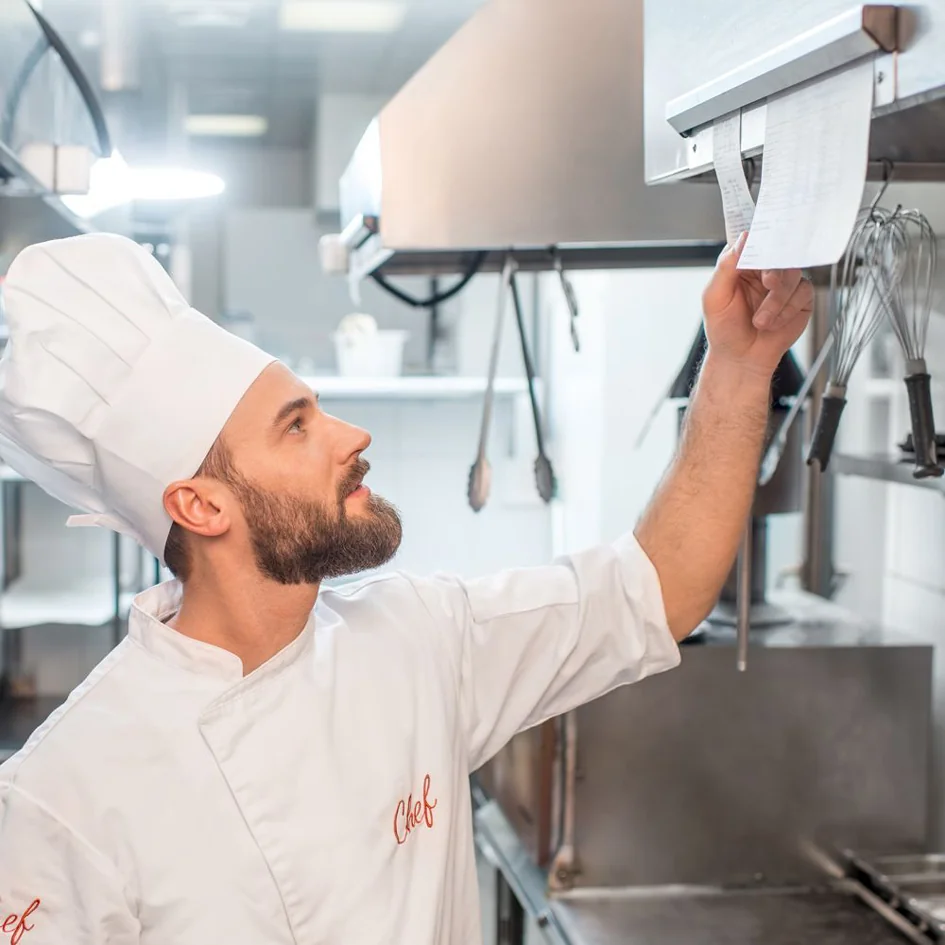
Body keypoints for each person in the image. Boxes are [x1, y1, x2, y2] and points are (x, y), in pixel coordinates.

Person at [0, 231, 811, 944]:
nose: (352, 435)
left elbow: (656, 588)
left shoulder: (416, 636)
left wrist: (741, 366)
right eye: (296, 425)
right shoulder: (64, 792)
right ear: (202, 506)